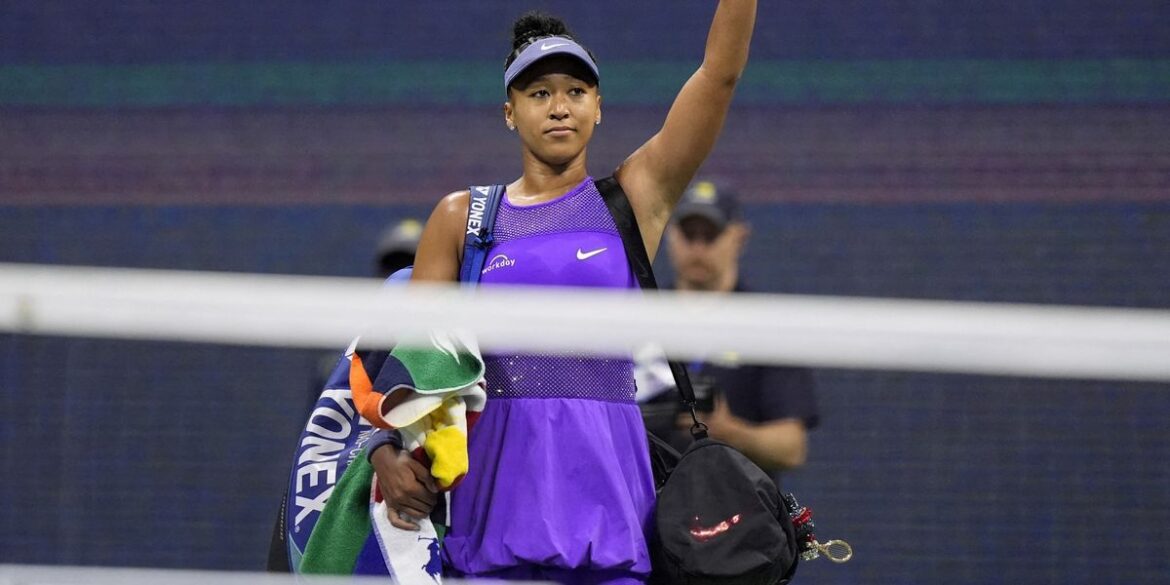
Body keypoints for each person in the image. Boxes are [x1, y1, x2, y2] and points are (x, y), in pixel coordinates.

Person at [369, 4, 757, 583]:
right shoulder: (462, 218)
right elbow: (409, 368)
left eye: (576, 90)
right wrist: (384, 454)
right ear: (509, 112)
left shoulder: (633, 200)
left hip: (613, 522)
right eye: (538, 93)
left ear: (598, 108)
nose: (559, 107)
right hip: (490, 522)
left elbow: (718, 74)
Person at [636, 179, 820, 486]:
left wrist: (729, 431)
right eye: (688, 234)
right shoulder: (636, 322)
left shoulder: (769, 329)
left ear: (739, 237)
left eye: (710, 235)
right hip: (649, 509)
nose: (697, 247)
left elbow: (792, 448)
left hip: (737, 513)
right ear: (670, 234)